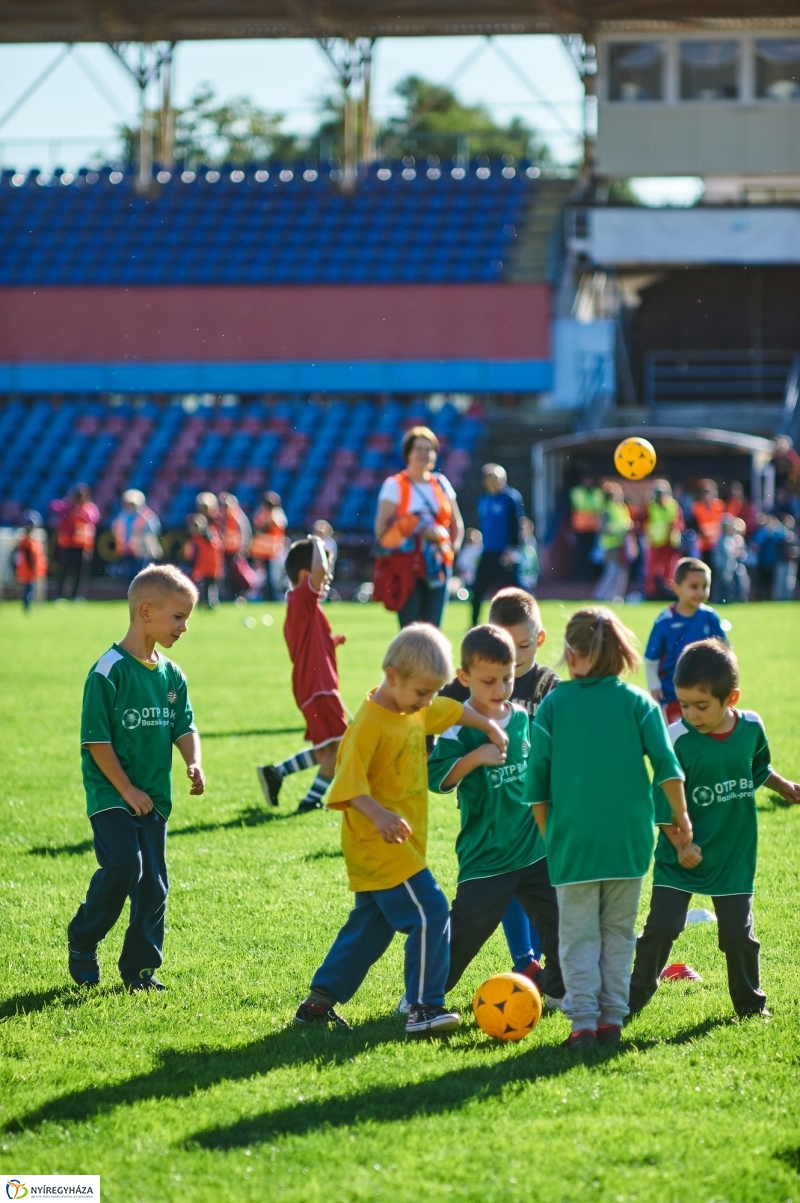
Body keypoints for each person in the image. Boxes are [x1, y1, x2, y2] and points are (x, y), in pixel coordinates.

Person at [294, 623, 509, 1036]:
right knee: (431, 912)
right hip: (380, 844)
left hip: (399, 844)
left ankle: (318, 1004)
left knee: (370, 930)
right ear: (392, 677)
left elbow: (450, 708)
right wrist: (380, 816)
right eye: (421, 693)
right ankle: (425, 1007)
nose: (427, 702)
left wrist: (488, 725)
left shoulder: (414, 706)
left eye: (432, 692)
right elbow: (346, 785)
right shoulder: (369, 725)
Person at [526, 607, 691, 1049]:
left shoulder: (555, 704)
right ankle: (611, 1022)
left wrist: (550, 836)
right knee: (618, 936)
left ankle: (582, 1025)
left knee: (577, 937)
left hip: (573, 845)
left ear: (574, 656)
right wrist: (683, 818)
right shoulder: (638, 703)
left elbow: (536, 785)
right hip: (628, 844)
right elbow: (668, 768)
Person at [629, 640, 800, 1020]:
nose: (690, 714)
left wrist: (783, 785)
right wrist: (680, 844)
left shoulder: (752, 728)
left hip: (732, 855)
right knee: (660, 929)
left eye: (701, 706)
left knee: (738, 936)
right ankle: (630, 1001)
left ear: (731, 698)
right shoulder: (677, 738)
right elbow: (661, 799)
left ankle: (751, 1007)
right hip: (680, 857)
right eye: (684, 704)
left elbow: (755, 768)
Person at [67, 564, 204, 992]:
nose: (185, 627)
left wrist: (193, 761)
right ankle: (84, 938)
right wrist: (126, 788)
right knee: (125, 866)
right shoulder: (108, 671)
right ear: (146, 612)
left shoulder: (171, 675)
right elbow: (96, 741)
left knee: (153, 884)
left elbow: (184, 726)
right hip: (112, 794)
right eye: (178, 617)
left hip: (154, 797)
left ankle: (141, 970)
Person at [428, 625, 564, 1005]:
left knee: (560, 924)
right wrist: (474, 759)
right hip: (487, 857)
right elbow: (437, 779)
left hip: (535, 851)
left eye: (507, 678)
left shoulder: (520, 718)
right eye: (488, 680)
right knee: (465, 933)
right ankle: (425, 995)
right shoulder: (457, 727)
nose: (500, 688)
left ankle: (557, 990)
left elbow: (537, 770)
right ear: (464, 677)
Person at [256, 536, 348, 814]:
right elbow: (319, 572)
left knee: (326, 749)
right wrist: (318, 541)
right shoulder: (302, 598)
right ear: (307, 574)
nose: (328, 575)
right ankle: (311, 800)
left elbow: (308, 644)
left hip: (315, 686)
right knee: (341, 747)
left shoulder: (303, 605)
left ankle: (277, 773)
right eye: (325, 568)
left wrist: (332, 642)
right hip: (318, 688)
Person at [374, 426, 464, 629]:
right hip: (406, 565)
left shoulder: (441, 483)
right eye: (418, 448)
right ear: (408, 453)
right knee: (411, 630)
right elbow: (381, 529)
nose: (424, 454)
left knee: (433, 631)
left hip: (438, 564)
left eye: (428, 449)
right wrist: (417, 532)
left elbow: (457, 523)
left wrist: (452, 549)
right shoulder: (395, 485)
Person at [644, 557, 728, 725]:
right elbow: (650, 659)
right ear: (677, 588)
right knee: (675, 738)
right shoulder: (665, 621)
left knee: (703, 735)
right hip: (671, 692)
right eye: (694, 587)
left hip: (706, 691)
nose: (700, 592)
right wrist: (654, 686)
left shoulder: (710, 617)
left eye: (704, 587)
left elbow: (724, 652)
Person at [470, 464, 525, 625]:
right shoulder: (484, 499)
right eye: (494, 478)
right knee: (478, 589)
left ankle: (522, 620)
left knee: (514, 590)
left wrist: (512, 548)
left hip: (505, 552)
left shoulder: (511, 498)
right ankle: (474, 622)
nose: (499, 482)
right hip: (488, 551)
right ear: (486, 480)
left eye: (501, 478)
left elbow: (517, 524)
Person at [50, 483, 100, 600]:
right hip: (68, 544)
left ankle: (77, 595)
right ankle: (60, 595)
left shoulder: (89, 508)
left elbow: (93, 518)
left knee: (81, 573)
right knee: (65, 570)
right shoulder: (68, 507)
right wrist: (69, 506)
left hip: (83, 545)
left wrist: (78, 511)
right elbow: (53, 506)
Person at [593, 482, 634, 603]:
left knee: (622, 572)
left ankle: (616, 597)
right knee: (612, 571)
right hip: (611, 545)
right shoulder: (607, 510)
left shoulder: (622, 508)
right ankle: (600, 595)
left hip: (622, 544)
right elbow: (604, 529)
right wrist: (621, 528)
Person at [111, 489, 162, 582]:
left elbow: (154, 529)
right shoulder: (123, 514)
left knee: (141, 572)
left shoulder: (146, 515)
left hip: (142, 549)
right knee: (130, 573)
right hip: (128, 548)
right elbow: (116, 527)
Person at [644, 481, 683, 600]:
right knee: (652, 569)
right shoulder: (650, 507)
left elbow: (680, 523)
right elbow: (645, 523)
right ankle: (651, 592)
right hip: (655, 543)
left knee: (670, 568)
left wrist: (674, 528)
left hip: (669, 542)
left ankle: (669, 592)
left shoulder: (673, 506)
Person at [250, 492, 288, 602]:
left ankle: (274, 596)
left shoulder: (277, 515)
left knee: (273, 577)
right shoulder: (262, 514)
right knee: (264, 577)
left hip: (275, 551)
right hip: (263, 551)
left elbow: (272, 528)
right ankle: (267, 596)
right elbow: (257, 526)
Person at [569, 475, 605, 581]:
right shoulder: (577, 492)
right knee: (581, 555)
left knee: (594, 555)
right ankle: (581, 577)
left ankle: (592, 576)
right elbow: (573, 509)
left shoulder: (597, 493)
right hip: (580, 529)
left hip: (594, 529)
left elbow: (599, 509)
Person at [184, 514, 224, 609]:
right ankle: (209, 603)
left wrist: (192, 566)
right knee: (209, 587)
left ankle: (206, 603)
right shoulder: (212, 535)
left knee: (205, 587)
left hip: (203, 568)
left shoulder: (197, 539)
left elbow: (192, 555)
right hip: (212, 567)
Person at [218, 493, 253, 599]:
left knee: (235, 573)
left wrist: (243, 548)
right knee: (225, 574)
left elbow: (245, 532)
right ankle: (227, 594)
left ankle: (236, 594)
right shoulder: (220, 516)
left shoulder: (237, 516)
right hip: (224, 550)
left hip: (234, 550)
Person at [13, 510, 48, 610]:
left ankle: (29, 605)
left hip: (30, 568)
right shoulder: (26, 541)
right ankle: (27, 606)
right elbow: (29, 556)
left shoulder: (30, 539)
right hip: (28, 568)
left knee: (29, 588)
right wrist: (33, 567)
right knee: (28, 589)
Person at [712, 514, 749, 604]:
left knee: (733, 583)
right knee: (722, 584)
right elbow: (726, 553)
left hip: (729, 565)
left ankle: (732, 599)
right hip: (723, 565)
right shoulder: (722, 539)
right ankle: (721, 600)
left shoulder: (732, 538)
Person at [692, 481, 725, 566]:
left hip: (718, 544)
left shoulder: (720, 506)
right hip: (704, 545)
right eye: (706, 492)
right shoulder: (697, 507)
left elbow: (722, 523)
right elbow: (697, 525)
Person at [518, 517, 539, 593]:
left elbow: (532, 558)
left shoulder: (531, 541)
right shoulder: (519, 542)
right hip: (521, 574)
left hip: (529, 573)